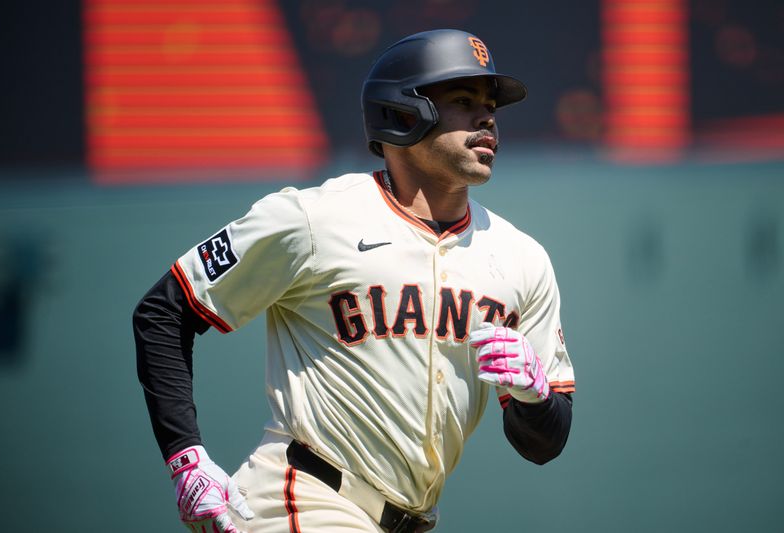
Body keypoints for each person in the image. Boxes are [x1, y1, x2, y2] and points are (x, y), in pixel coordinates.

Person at [133, 29, 575, 533]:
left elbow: (544, 444)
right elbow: (165, 310)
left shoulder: (522, 259)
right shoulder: (312, 218)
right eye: (462, 99)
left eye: (490, 103)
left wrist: (534, 396)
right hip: (305, 500)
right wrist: (186, 460)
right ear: (403, 113)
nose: (487, 117)